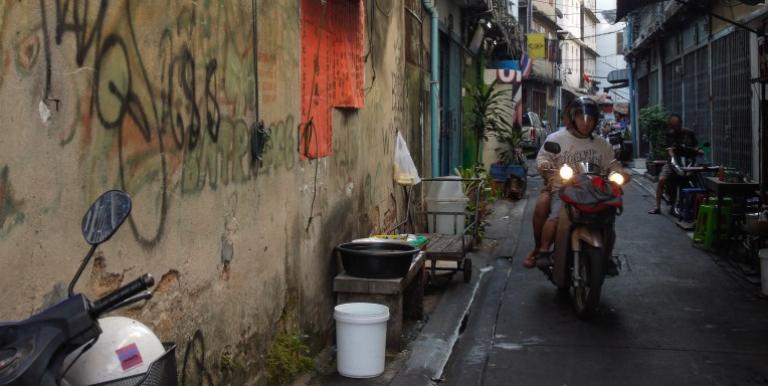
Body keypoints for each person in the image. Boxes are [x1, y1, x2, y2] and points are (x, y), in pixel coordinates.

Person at [522, 96, 629, 268]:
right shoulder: (556, 138)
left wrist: (619, 172)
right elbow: (542, 158)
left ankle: (607, 256)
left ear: (595, 121)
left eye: (590, 119)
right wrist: (547, 166)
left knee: (609, 221)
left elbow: (612, 164)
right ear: (573, 118)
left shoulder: (602, 144)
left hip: (595, 191)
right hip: (563, 188)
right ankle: (541, 249)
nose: (586, 123)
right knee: (553, 215)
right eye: (581, 118)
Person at [648, 113, 698, 215]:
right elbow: (667, 148)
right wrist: (670, 154)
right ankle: (657, 206)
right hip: (672, 162)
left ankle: (690, 207)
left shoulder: (689, 133)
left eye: (676, 124)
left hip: (687, 161)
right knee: (661, 180)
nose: (675, 127)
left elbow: (696, 147)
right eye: (672, 125)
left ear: (680, 123)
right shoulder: (669, 134)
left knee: (693, 179)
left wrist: (696, 151)